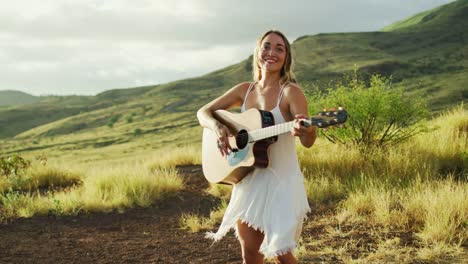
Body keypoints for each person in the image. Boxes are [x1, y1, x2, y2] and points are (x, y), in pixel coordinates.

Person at [197, 29, 317, 264]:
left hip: (282, 182)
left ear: (286, 57)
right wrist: (216, 127)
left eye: (279, 48)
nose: (272, 52)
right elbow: (203, 112)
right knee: (250, 253)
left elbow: (308, 140)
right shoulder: (245, 90)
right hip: (250, 180)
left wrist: (307, 129)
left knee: (281, 253)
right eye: (267, 46)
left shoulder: (291, 92)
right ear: (258, 51)